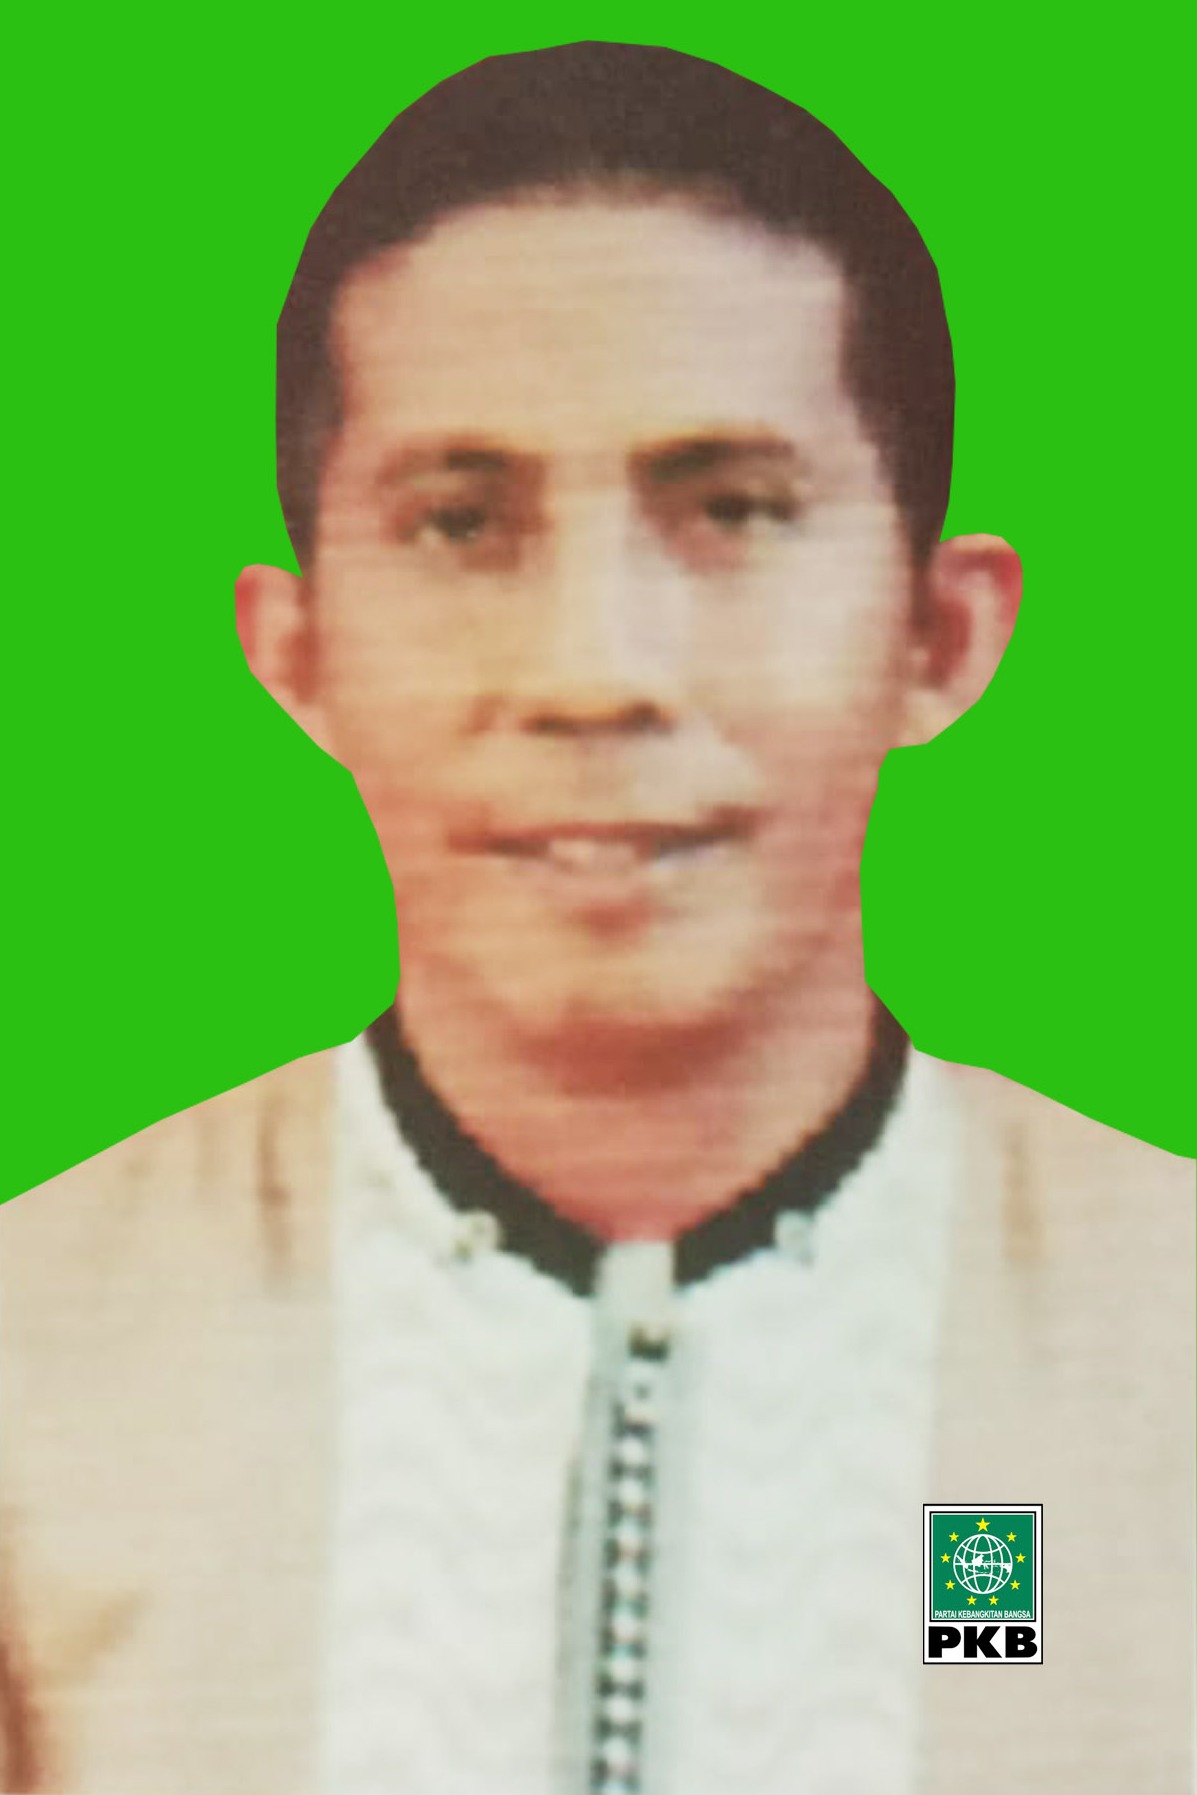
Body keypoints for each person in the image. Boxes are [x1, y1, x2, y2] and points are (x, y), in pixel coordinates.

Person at [0, 40, 1191, 1795]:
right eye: (459, 524)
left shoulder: (1161, 1341)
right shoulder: (36, 1369)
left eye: (733, 512)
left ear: (935, 635)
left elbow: (1014, 1648)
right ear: (300, 651)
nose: (595, 670)